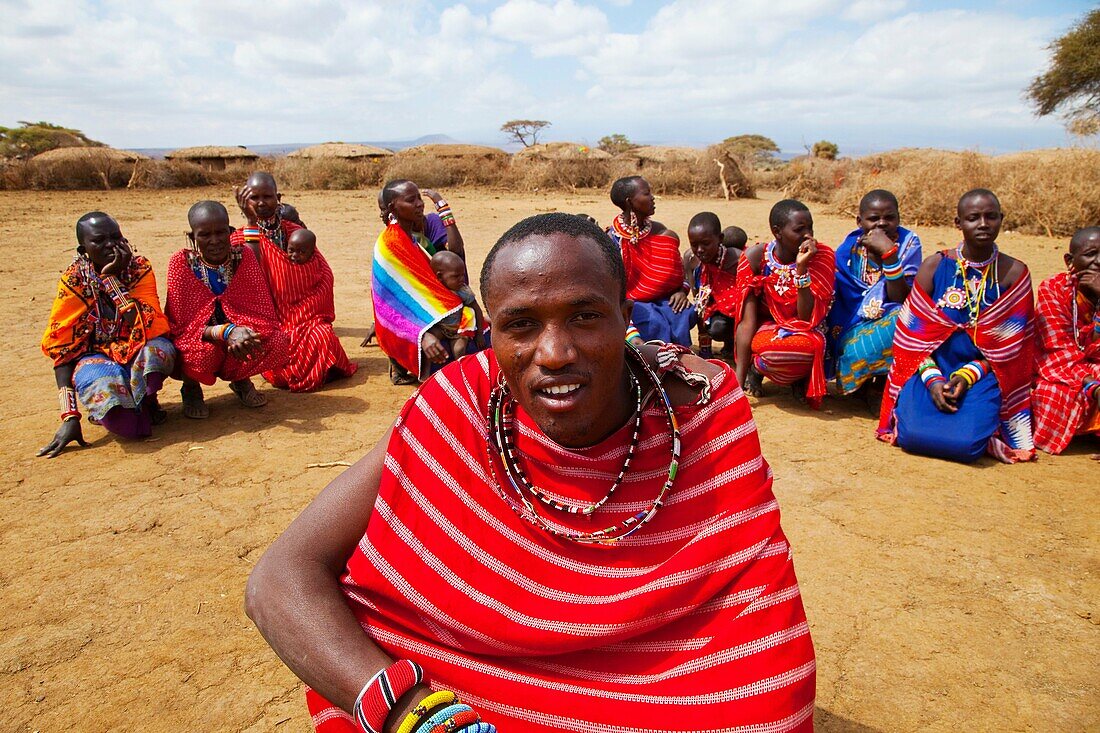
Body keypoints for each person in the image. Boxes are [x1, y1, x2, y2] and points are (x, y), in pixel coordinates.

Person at [246, 212, 815, 733]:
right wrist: (409, 714)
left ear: (626, 316)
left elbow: (757, 642)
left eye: (585, 316)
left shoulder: (701, 413)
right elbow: (278, 578)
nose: (555, 351)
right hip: (451, 702)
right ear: (490, 331)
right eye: (520, 325)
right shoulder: (457, 406)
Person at [878, 189, 1035, 464]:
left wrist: (967, 375)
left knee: (965, 446)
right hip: (928, 367)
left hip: (985, 372)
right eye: (973, 217)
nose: (983, 224)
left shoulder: (1014, 274)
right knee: (913, 437)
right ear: (958, 223)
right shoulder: (935, 267)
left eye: (991, 216)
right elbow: (909, 337)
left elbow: (1012, 347)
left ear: (1002, 219)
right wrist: (934, 379)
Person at [38, 212, 177, 457]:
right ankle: (123, 407)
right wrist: (70, 416)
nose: (111, 245)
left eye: (116, 237)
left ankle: (145, 400)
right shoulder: (74, 281)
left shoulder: (139, 269)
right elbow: (62, 352)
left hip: (138, 350)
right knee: (127, 427)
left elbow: (148, 326)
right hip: (96, 359)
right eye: (100, 240)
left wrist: (111, 281)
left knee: (159, 351)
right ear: (84, 249)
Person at [166, 201, 290, 418]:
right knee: (198, 352)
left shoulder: (243, 257)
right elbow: (181, 327)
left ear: (230, 231)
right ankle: (191, 387)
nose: (215, 241)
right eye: (205, 235)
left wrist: (243, 332)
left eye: (221, 232)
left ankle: (240, 379)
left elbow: (261, 311)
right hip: (201, 339)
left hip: (239, 334)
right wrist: (224, 332)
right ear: (192, 236)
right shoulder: (182, 263)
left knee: (276, 340)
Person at [371, 180, 475, 385]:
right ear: (393, 207)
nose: (419, 203)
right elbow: (390, 306)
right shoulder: (390, 244)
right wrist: (422, 335)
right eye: (411, 200)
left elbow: (429, 286)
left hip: (435, 318)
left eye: (419, 198)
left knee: (483, 334)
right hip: (412, 332)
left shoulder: (410, 237)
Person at [733, 200, 835, 409]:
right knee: (774, 352)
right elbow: (747, 322)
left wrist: (801, 269)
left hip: (809, 329)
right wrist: (737, 385)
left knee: (805, 348)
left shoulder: (822, 257)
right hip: (769, 329)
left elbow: (806, 318)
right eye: (799, 229)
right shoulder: (755, 258)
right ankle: (757, 369)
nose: (808, 235)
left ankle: (798, 379)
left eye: (810, 228)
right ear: (777, 232)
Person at [826, 190, 923, 397]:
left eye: (889, 217)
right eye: (873, 218)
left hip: (889, 318)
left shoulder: (908, 244)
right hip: (848, 322)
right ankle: (863, 384)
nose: (881, 223)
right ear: (859, 221)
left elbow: (901, 298)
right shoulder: (848, 249)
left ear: (899, 218)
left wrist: (889, 257)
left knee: (906, 319)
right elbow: (838, 293)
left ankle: (882, 382)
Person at [256, 227, 358, 392]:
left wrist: (307, 317)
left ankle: (321, 371)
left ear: (312, 252)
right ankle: (295, 374)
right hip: (284, 323)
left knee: (323, 336)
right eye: (291, 251)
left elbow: (322, 296)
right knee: (279, 342)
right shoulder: (279, 268)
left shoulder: (318, 269)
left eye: (301, 252)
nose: (295, 256)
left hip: (313, 321)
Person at [1032, 226, 1100, 456]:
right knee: (1051, 394)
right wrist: (1093, 387)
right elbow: (1057, 351)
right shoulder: (1054, 290)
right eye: (1090, 254)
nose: (1098, 262)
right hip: (1061, 372)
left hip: (1094, 368)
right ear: (1070, 260)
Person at [606, 176, 695, 346]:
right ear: (630, 202)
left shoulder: (662, 233)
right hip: (630, 303)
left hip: (665, 300)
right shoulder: (612, 241)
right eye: (647, 194)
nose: (653, 198)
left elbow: (680, 276)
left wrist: (682, 292)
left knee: (683, 314)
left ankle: (678, 358)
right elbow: (612, 291)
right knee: (653, 320)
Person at [687, 211, 742, 360]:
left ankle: (736, 347)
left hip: (737, 313)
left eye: (705, 244)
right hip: (712, 312)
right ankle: (708, 348)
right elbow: (699, 300)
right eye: (694, 244)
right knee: (712, 323)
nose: (699, 250)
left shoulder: (737, 260)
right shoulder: (691, 260)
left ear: (720, 239)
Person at [429, 250, 485, 359]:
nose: (462, 279)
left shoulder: (463, 291)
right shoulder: (433, 289)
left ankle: (459, 370)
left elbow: (477, 309)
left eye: (462, 275)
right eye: (456, 276)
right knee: (427, 342)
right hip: (441, 328)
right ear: (440, 276)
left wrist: (479, 334)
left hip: (458, 330)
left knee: (459, 350)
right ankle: (424, 374)